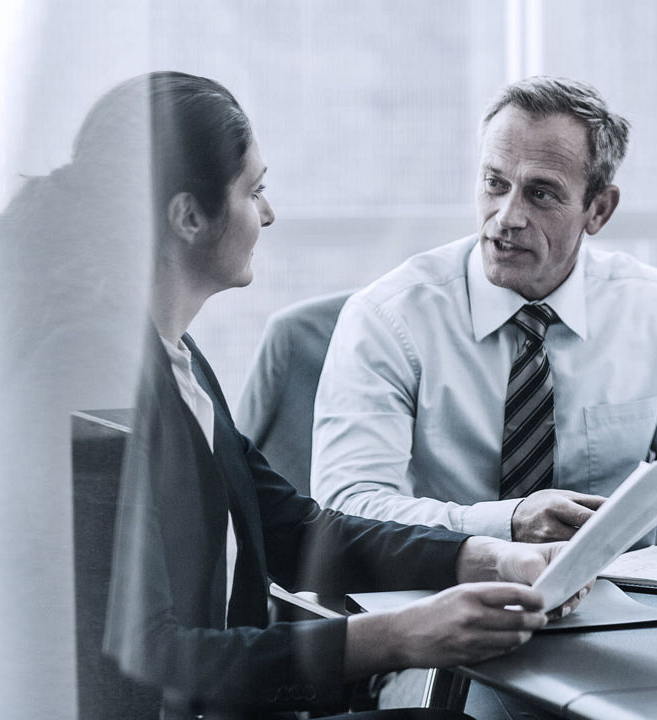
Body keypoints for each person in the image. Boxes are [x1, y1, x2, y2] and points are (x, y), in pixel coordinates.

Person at [79, 72, 582, 719]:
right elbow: (151, 660)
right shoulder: (103, 389)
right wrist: (395, 637)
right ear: (189, 217)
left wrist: (490, 558)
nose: (267, 214)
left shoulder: (180, 361)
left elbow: (296, 529)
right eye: (254, 191)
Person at [310, 76, 657, 547]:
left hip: (615, 589)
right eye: (495, 183)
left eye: (541, 193)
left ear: (599, 210)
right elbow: (345, 510)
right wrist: (505, 524)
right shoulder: (389, 318)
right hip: (446, 585)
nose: (507, 216)